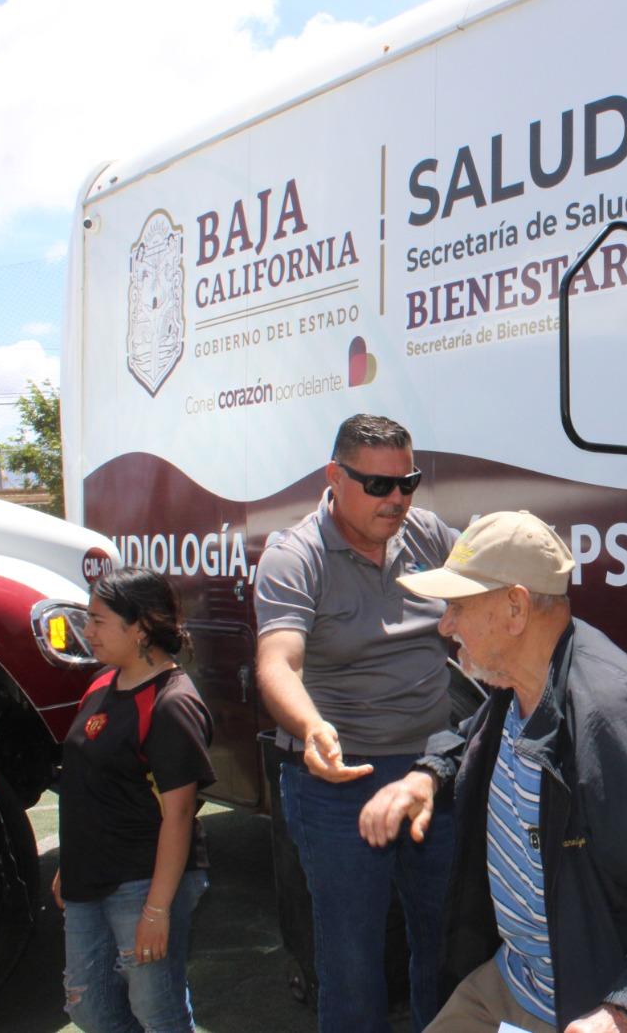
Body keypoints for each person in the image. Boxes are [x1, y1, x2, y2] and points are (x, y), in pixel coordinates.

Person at [358, 510, 627, 1033]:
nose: (445, 625)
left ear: (515, 608)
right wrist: (428, 774)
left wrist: (622, 1011)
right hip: (517, 981)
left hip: (589, 1002)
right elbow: (474, 733)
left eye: (457, 606)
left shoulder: (614, 723)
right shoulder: (520, 684)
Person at [254, 413, 459, 1031]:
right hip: (339, 781)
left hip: (432, 774)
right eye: (378, 486)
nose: (397, 500)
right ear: (334, 477)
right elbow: (277, 664)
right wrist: (313, 728)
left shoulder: (427, 536)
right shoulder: (295, 557)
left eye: (409, 482)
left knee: (448, 942)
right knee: (350, 958)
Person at [54, 567, 215, 1032]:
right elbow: (89, 783)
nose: (87, 632)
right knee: (88, 1006)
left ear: (141, 626)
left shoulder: (171, 702)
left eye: (99, 620)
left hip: (142, 883)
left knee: (157, 1012)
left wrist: (157, 909)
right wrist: (73, 861)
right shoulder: (104, 683)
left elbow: (180, 814)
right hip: (90, 879)